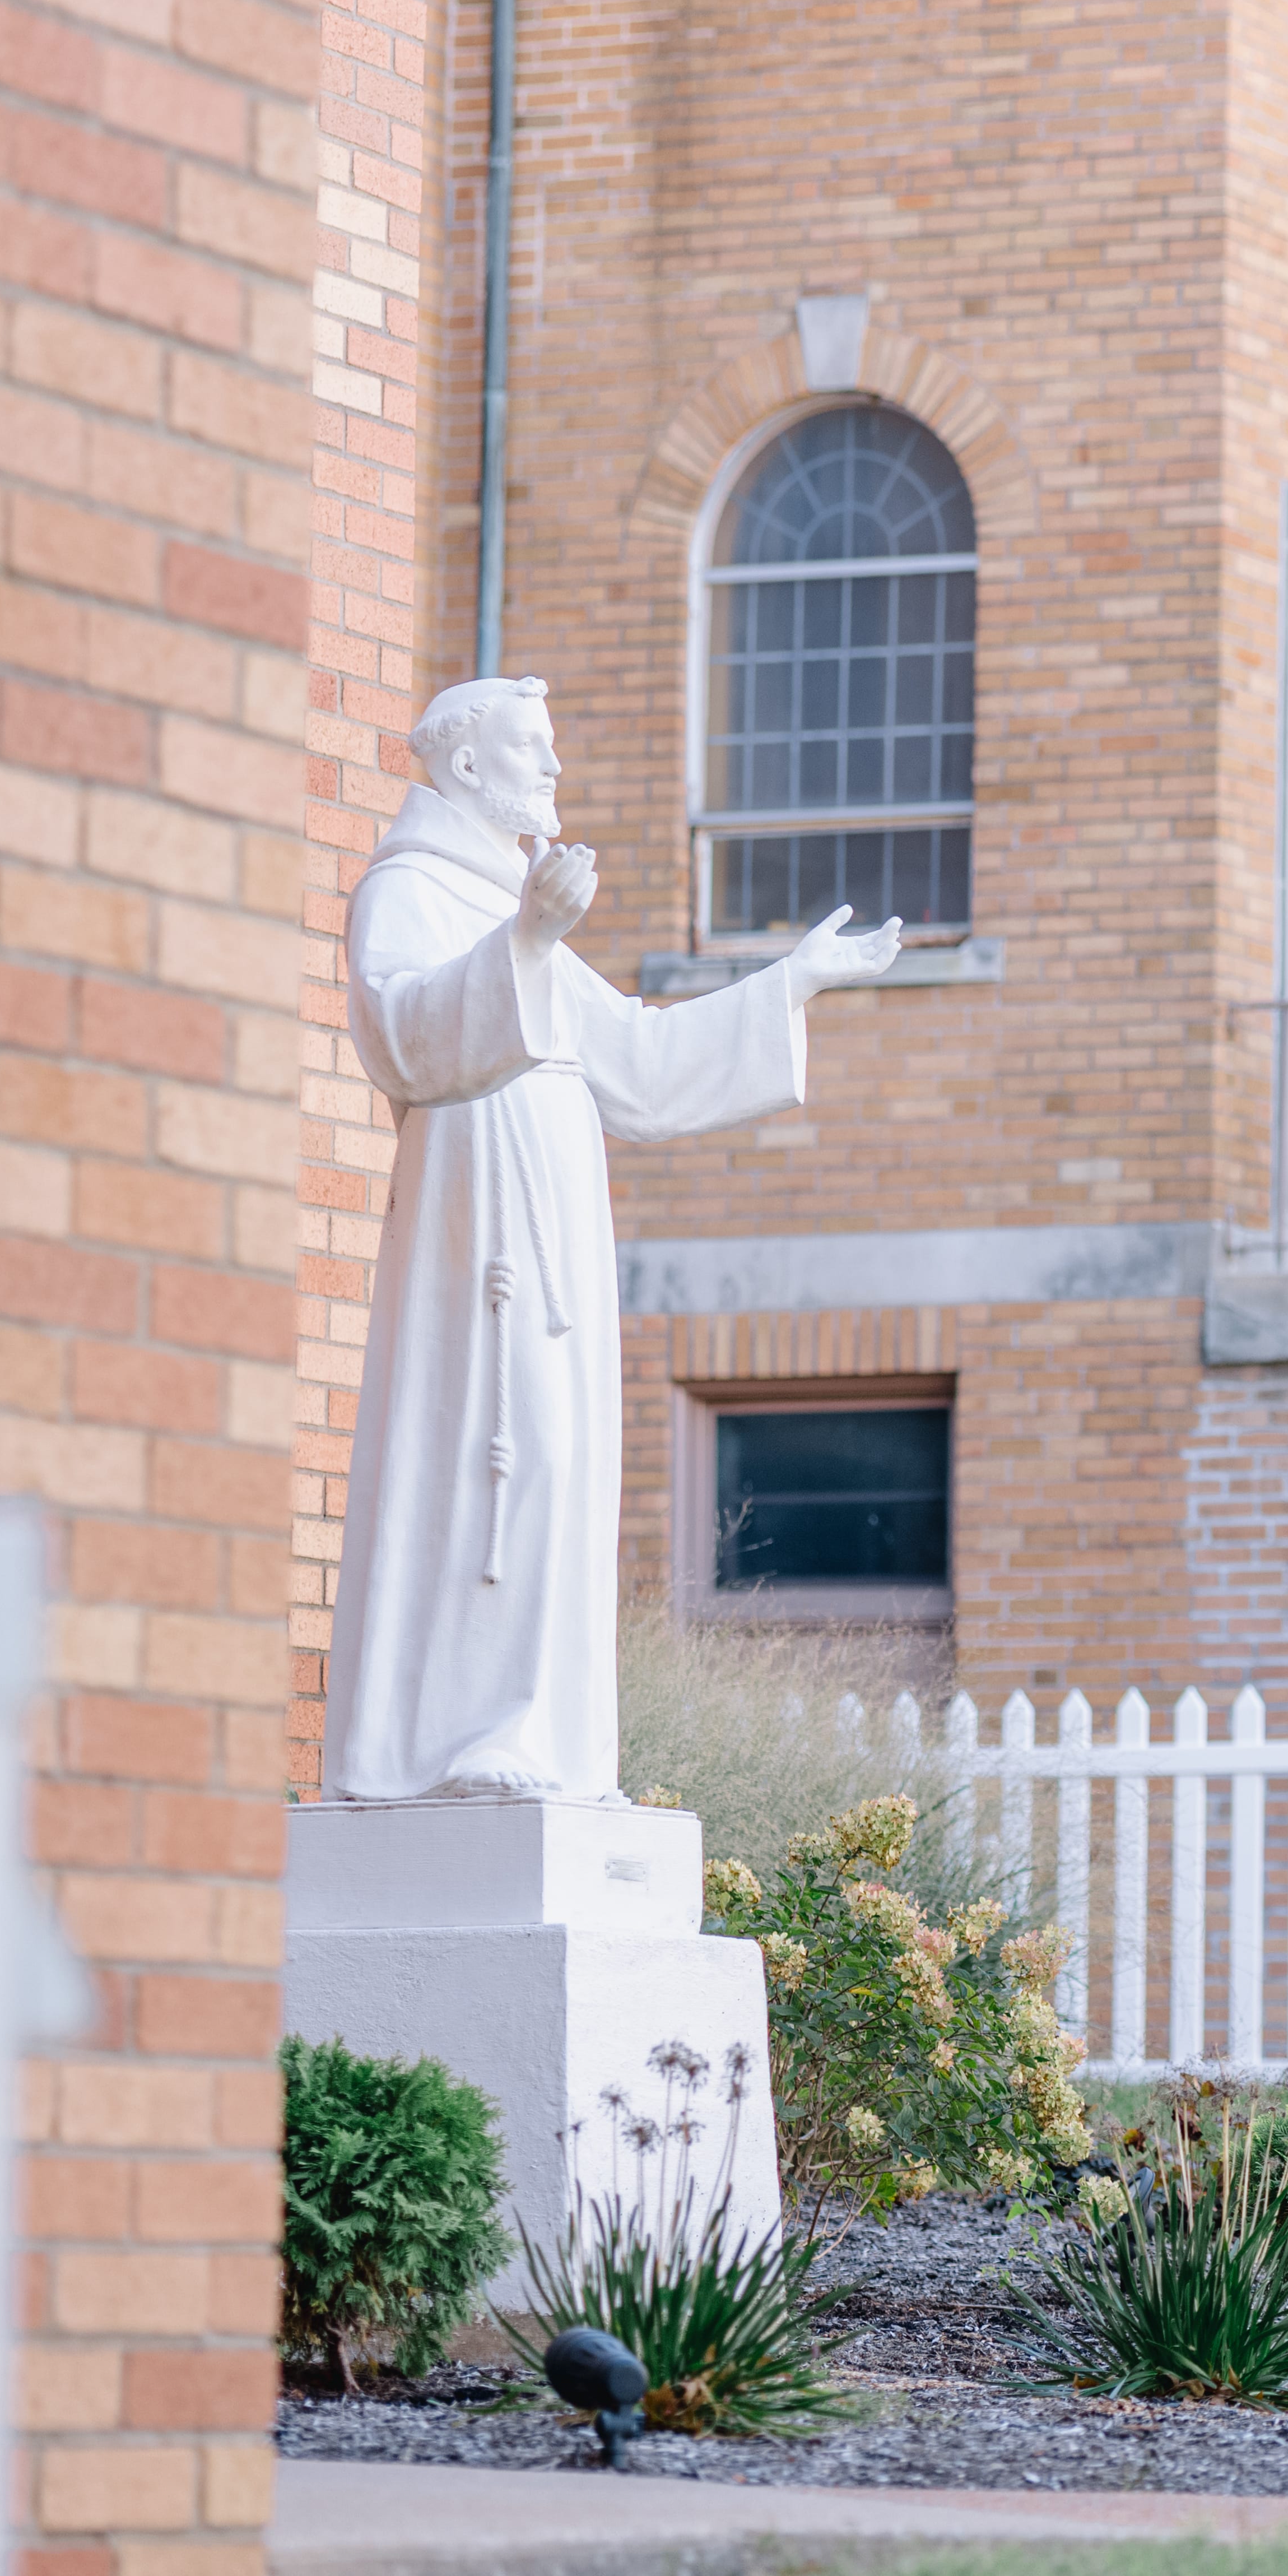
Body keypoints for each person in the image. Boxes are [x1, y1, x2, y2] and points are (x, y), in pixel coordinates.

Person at [322, 675, 901, 1800]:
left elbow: (636, 1067)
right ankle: (466, 1735)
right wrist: (527, 938)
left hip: (556, 1234)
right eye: (532, 750)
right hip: (476, 1225)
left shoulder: (504, 894)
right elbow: (399, 1036)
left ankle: (535, 1734)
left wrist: (792, 983)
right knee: (499, 1451)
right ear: (468, 766)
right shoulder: (415, 891)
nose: (553, 771)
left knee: (557, 1456)